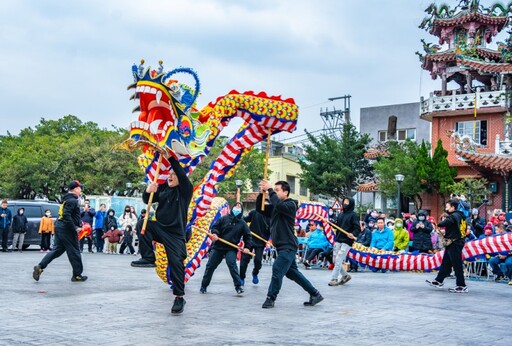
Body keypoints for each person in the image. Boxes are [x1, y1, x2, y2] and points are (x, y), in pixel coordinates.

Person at [131, 156, 193, 314]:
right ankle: (148, 257)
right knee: (143, 224)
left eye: (174, 174)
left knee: (177, 264)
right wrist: (148, 191)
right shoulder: (164, 188)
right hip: (160, 228)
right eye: (169, 174)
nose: (170, 176)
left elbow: (180, 171)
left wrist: (171, 156)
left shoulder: (185, 190)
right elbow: (148, 200)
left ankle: (179, 297)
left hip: (175, 234)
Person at [257, 180, 323, 309]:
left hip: (288, 245)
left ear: (285, 192)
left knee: (277, 269)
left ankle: (271, 298)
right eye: (274, 190)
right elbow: (261, 209)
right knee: (292, 273)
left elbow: (279, 205)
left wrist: (270, 190)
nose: (274, 192)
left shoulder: (290, 205)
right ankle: (315, 294)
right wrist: (262, 194)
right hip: (281, 246)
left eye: (277, 190)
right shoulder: (276, 206)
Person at [32, 180, 88, 282]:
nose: (81, 190)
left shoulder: (67, 199)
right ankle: (77, 275)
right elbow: (66, 215)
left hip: (60, 226)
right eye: (80, 188)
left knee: (57, 250)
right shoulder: (72, 201)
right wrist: (74, 228)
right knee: (75, 251)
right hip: (67, 229)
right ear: (75, 189)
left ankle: (40, 267)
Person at [200, 202, 252, 295]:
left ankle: (238, 287)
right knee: (210, 266)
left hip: (231, 248)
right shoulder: (223, 219)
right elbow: (215, 227)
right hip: (218, 246)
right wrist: (215, 234)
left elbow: (248, 236)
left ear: (241, 210)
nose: (237, 208)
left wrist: (247, 247)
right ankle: (204, 286)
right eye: (236, 206)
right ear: (232, 208)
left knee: (232, 264)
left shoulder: (242, 223)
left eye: (239, 207)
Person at [426, 199, 468, 293]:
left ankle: (461, 285)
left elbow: (447, 222)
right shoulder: (461, 216)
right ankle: (438, 281)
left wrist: (438, 224)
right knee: (446, 263)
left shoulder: (454, 215)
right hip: (454, 242)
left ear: (453, 207)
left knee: (457, 264)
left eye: (447, 206)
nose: (446, 208)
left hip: (455, 243)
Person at [329, 197, 359, 286]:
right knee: (335, 260)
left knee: (339, 259)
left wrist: (352, 234)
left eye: (347, 202)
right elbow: (338, 226)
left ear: (351, 203)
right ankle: (345, 275)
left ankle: (334, 279)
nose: (345, 204)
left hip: (347, 241)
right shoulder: (341, 214)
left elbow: (357, 228)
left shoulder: (353, 215)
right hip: (338, 239)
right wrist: (331, 223)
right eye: (344, 202)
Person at [240, 208, 270, 285]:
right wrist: (239, 216)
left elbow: (272, 229)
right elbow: (245, 220)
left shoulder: (270, 215)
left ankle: (255, 273)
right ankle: (242, 277)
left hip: (261, 241)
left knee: (258, 260)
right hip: (250, 239)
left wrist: (269, 239)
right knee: (244, 259)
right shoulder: (254, 212)